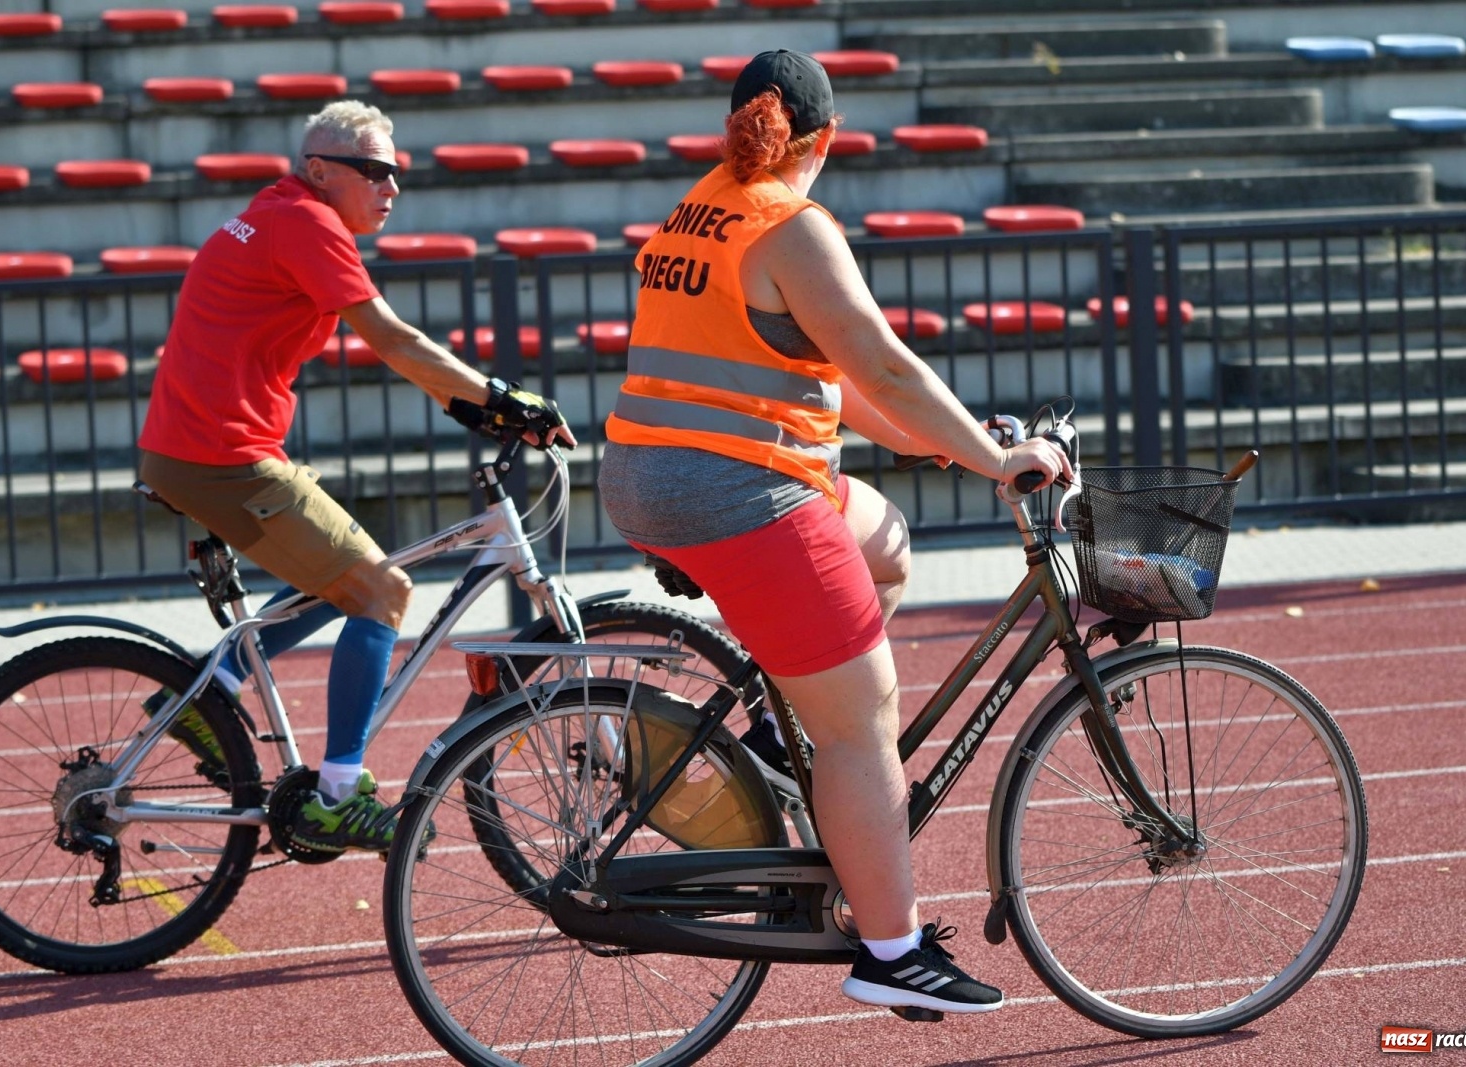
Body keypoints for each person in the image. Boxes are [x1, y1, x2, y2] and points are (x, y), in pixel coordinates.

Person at [598, 50, 1072, 1015]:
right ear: (829, 137)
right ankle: (892, 952)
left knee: (886, 538)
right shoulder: (795, 228)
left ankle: (776, 731)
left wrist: (961, 445)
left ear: (735, 126)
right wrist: (996, 462)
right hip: (736, 494)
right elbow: (885, 367)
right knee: (864, 726)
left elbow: (845, 388)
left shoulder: (706, 204)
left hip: (652, 474)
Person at [137, 101, 573, 853]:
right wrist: (499, 399)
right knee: (382, 588)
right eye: (372, 171)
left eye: (395, 173)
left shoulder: (274, 214)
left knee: (341, 577)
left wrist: (469, 405)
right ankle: (336, 796)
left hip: (201, 448)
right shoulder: (307, 224)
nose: (390, 187)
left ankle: (206, 698)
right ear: (319, 170)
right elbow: (393, 338)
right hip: (225, 456)